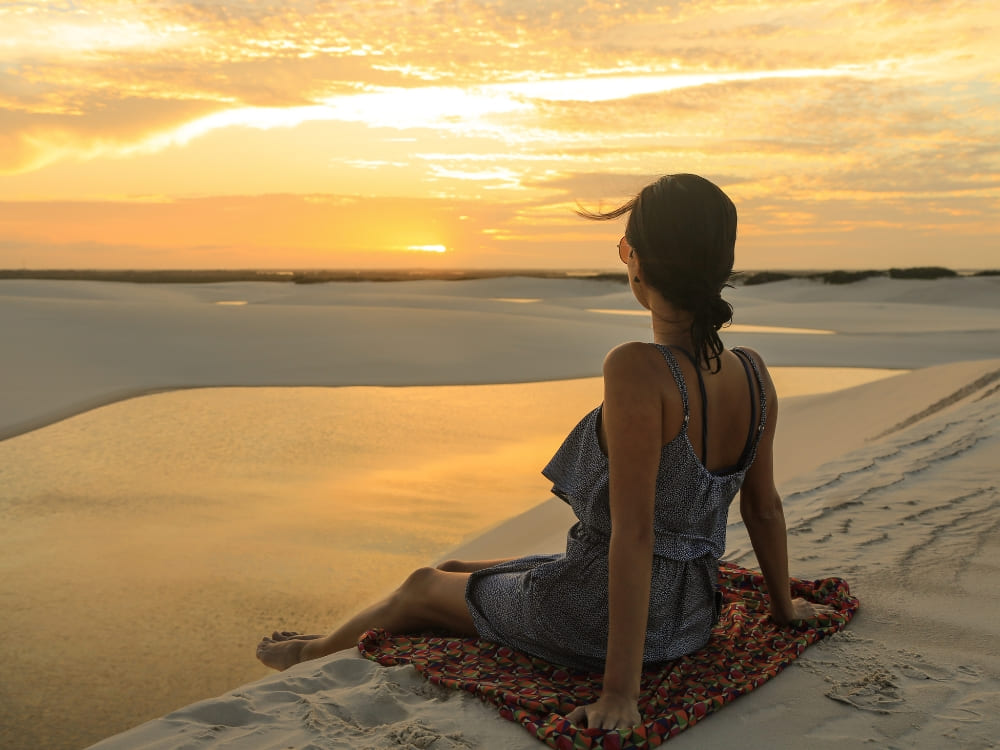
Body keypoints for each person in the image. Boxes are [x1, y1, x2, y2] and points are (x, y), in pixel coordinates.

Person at [256, 173, 832, 729]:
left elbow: (634, 535)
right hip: (691, 614)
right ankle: (337, 637)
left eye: (626, 245)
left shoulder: (638, 369)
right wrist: (783, 609)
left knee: (420, 585)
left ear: (639, 260)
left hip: (595, 616)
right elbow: (764, 508)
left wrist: (619, 694)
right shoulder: (754, 373)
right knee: (458, 570)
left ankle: (309, 655)